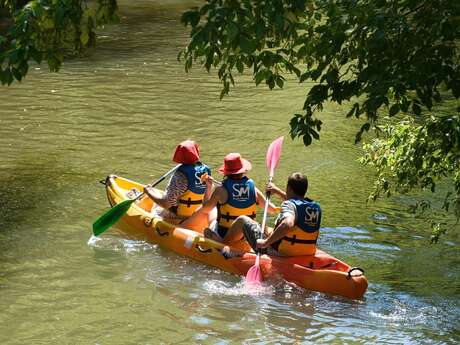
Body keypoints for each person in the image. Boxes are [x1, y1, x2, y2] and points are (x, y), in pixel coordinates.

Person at [187, 152, 277, 245]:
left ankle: (215, 239)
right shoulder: (254, 189)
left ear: (226, 172)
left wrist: (208, 186)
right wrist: (271, 194)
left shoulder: (220, 190)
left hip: (224, 234)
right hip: (247, 234)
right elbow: (272, 210)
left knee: (208, 222)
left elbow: (205, 208)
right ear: (243, 171)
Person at [239, 172, 322, 256]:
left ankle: (226, 247)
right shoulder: (316, 207)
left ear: (289, 188)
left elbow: (288, 223)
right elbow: (296, 201)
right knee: (264, 228)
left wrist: (265, 243)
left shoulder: (289, 204)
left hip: (284, 253)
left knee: (243, 220)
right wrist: (276, 191)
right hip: (308, 252)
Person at [144, 140, 212, 225]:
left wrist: (148, 191)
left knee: (156, 203)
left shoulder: (181, 175)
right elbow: (207, 200)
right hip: (196, 216)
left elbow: (166, 204)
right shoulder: (206, 171)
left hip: (177, 217)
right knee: (159, 193)